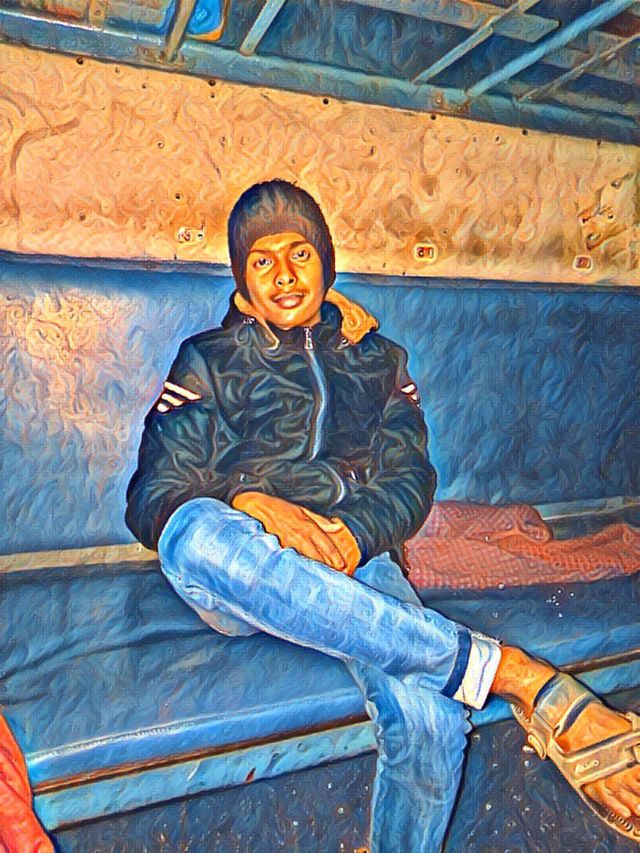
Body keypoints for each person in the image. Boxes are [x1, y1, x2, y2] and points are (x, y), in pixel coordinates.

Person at [126, 180, 640, 851]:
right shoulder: (208, 360)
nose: (284, 274)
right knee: (191, 534)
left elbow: (410, 477)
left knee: (431, 718)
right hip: (243, 562)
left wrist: (355, 534)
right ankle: (513, 674)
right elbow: (155, 491)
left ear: (325, 262)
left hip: (355, 555)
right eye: (262, 260)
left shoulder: (376, 358)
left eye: (300, 253)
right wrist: (248, 501)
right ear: (242, 284)